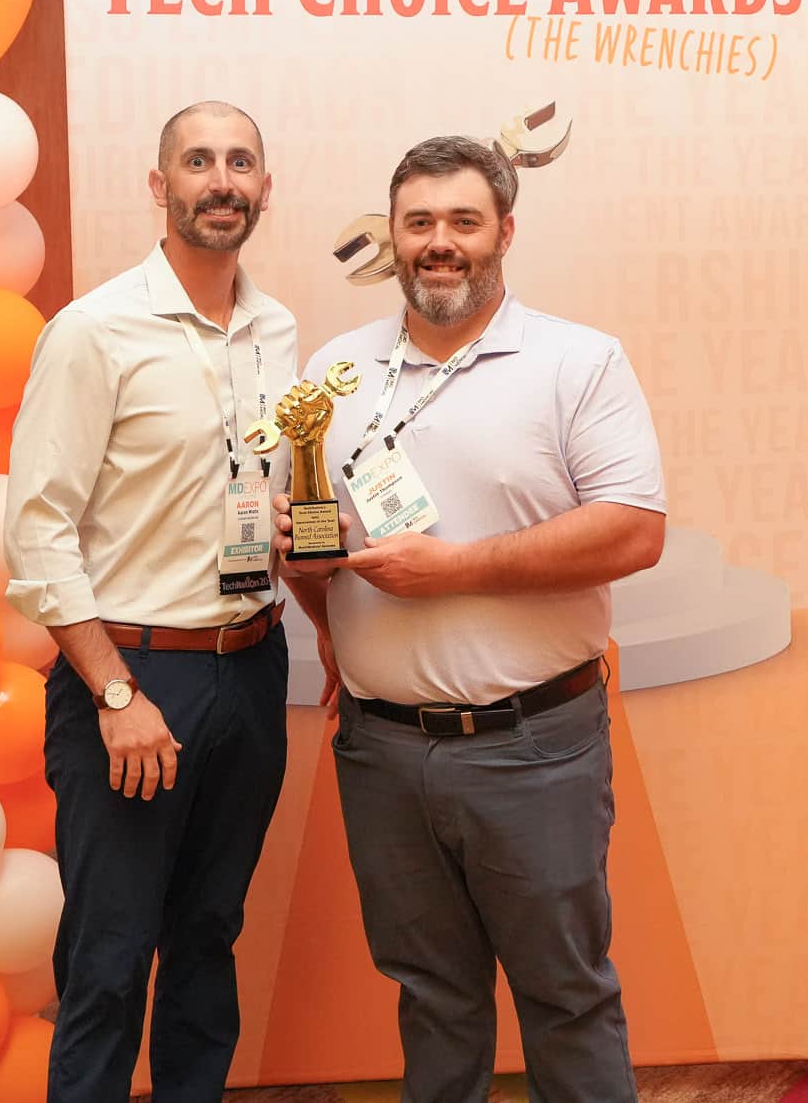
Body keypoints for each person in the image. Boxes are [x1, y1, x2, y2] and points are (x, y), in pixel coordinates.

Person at [277, 135, 666, 1102]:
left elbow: (633, 530)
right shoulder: (335, 371)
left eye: (463, 221)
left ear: (505, 232)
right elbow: (314, 542)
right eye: (419, 223)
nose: (439, 242)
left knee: (566, 995)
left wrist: (452, 570)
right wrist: (315, 588)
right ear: (393, 236)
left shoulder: (577, 360)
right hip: (382, 750)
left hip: (534, 745)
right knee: (432, 995)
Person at [4, 101, 295, 1101]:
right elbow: (37, 530)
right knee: (110, 954)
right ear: (159, 185)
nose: (222, 180)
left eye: (241, 163)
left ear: (264, 188)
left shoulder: (276, 331)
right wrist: (115, 693)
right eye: (199, 161)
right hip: (133, 678)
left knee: (208, 935)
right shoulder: (93, 331)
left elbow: (257, 486)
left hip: (250, 668)